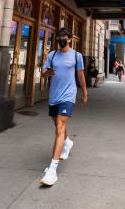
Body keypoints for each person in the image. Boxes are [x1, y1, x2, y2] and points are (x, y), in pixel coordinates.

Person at [39, 27, 88, 186]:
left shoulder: (76, 55)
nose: (61, 38)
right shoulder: (52, 55)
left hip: (68, 96)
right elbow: (43, 73)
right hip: (54, 96)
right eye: (59, 36)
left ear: (69, 39)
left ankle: (52, 170)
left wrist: (85, 93)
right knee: (57, 125)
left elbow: (80, 75)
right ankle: (67, 142)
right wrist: (48, 73)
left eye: (64, 36)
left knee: (60, 126)